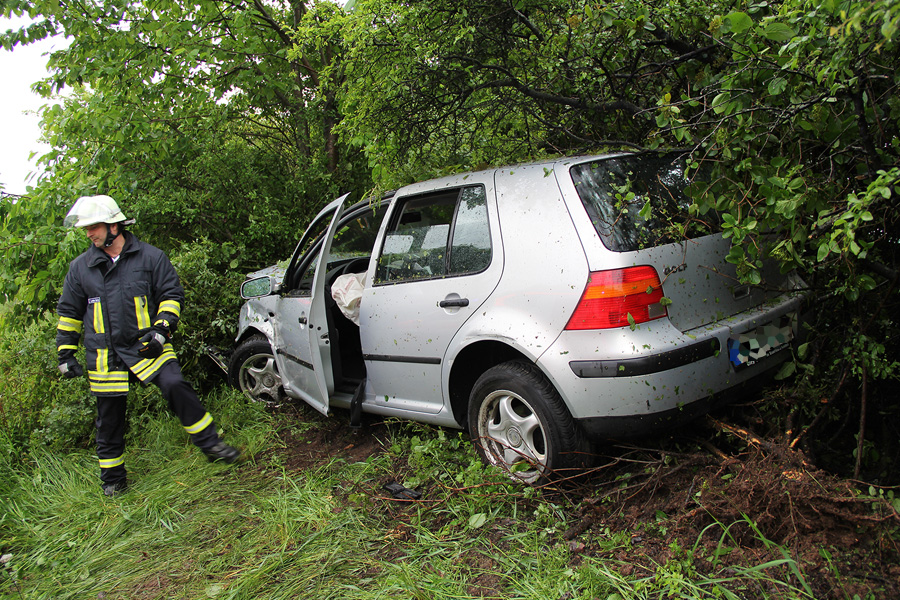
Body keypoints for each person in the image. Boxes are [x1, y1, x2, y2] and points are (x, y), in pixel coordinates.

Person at [56, 194, 239, 497]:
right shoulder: (80, 269)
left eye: (93, 227)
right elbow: (69, 314)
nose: (89, 234)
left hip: (147, 345)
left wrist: (161, 331)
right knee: (109, 418)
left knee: (176, 385)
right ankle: (113, 480)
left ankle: (212, 445)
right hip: (106, 356)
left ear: (114, 226)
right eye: (86, 229)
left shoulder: (151, 258)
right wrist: (65, 352)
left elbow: (171, 296)